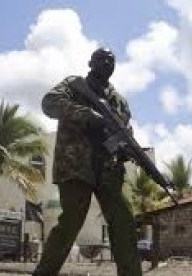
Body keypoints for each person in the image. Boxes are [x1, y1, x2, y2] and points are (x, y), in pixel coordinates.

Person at [33, 48, 142, 276]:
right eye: (101, 59)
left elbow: (124, 133)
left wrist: (126, 150)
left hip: (108, 170)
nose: (107, 63)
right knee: (72, 222)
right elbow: (49, 103)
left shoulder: (119, 102)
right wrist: (88, 115)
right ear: (90, 62)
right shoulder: (75, 85)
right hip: (75, 166)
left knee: (124, 222)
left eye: (112, 60)